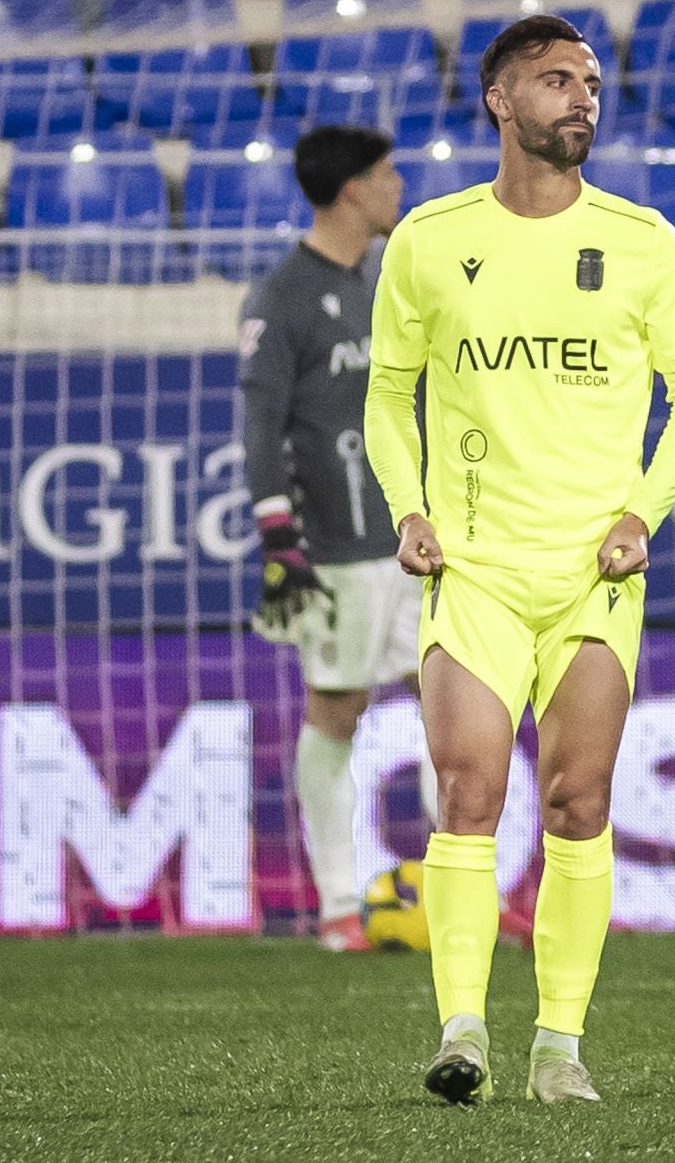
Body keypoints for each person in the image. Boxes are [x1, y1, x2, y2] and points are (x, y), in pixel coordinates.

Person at [363, 15, 675, 1106]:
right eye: (557, 79)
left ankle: (558, 1046)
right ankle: (463, 1031)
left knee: (577, 799)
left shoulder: (645, 240)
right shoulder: (429, 238)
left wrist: (643, 512)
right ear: (500, 99)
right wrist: (408, 509)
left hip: (591, 573)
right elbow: (387, 393)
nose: (582, 98)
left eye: (592, 83)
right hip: (473, 566)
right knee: (468, 790)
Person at [239, 124, 429, 953]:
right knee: (338, 711)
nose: (398, 186)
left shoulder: (387, 282)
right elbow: (259, 425)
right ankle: (340, 908)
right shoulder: (281, 297)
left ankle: (462, 895)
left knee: (452, 703)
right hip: (339, 551)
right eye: (386, 174)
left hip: (417, 541)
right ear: (352, 188)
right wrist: (278, 536)